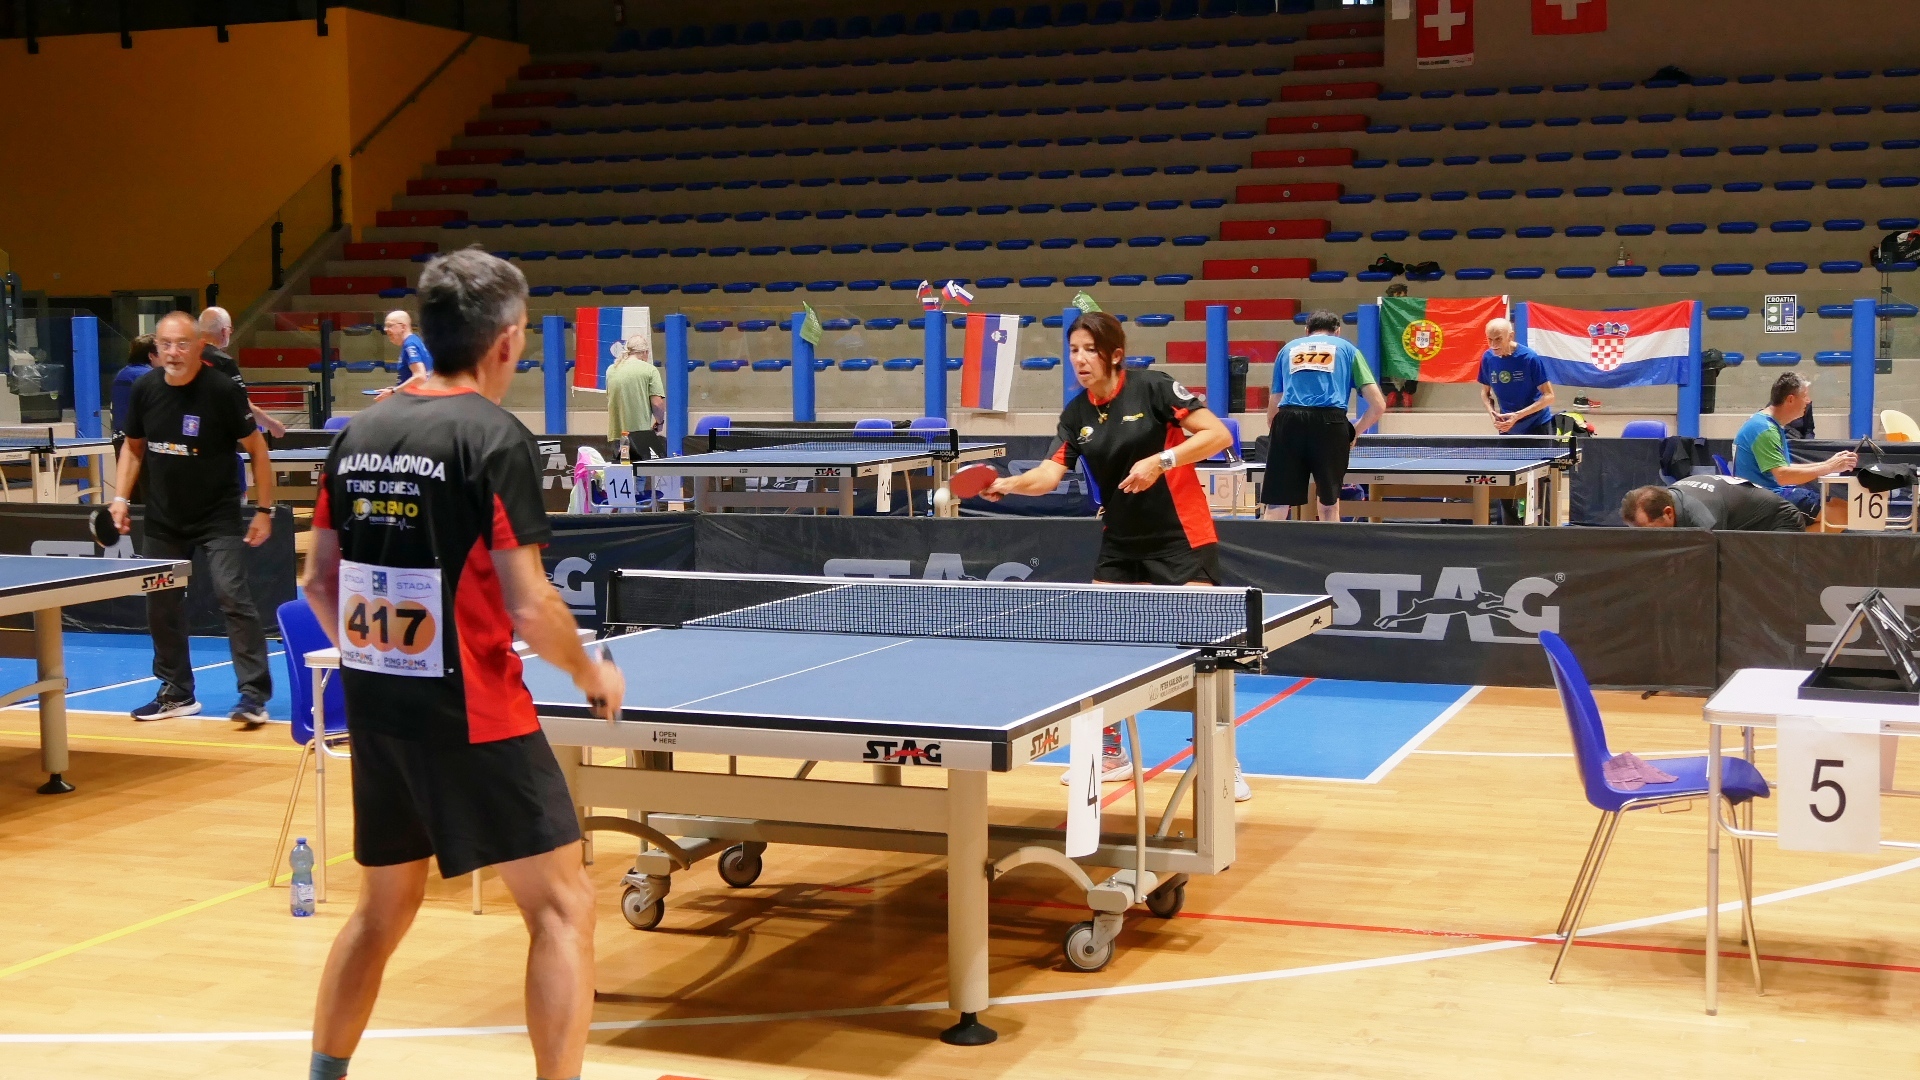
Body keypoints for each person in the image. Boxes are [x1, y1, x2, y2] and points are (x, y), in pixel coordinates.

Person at [302, 248, 623, 1080]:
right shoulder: (493, 437)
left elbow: (316, 581)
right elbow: (531, 604)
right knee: (563, 907)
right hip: (476, 710)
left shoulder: (360, 432)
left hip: (379, 711)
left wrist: (375, 660)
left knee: (381, 911)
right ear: (507, 341)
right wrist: (590, 674)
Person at [980, 312, 1253, 799]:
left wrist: (1161, 461)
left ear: (1115, 355)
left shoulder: (1154, 388)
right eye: (1074, 350)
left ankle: (1219, 757)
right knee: (1100, 647)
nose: (1080, 359)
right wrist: (1009, 484)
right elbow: (1047, 475)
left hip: (1181, 536)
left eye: (1090, 349)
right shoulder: (1077, 414)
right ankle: (1110, 753)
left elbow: (1218, 435)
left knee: (1204, 653)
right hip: (1121, 541)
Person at [110, 312, 277, 726]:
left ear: (200, 346)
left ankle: (253, 695)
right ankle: (176, 692)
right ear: (156, 349)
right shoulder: (145, 389)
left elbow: (258, 451)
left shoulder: (221, 390)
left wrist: (264, 510)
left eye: (182, 344)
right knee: (161, 604)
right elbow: (133, 448)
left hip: (217, 516)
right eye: (165, 344)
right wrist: (120, 498)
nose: (173, 352)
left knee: (232, 595)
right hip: (164, 519)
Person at [1261, 310, 1387, 522]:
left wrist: (1280, 434)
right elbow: (1378, 405)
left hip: (1288, 422)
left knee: (1277, 504)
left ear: (1306, 331)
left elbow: (1274, 405)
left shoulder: (1287, 350)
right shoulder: (1348, 349)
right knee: (1329, 505)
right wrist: (1354, 432)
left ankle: (1267, 544)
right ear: (1337, 331)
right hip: (1331, 424)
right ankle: (1330, 544)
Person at [1732, 372, 1856, 516]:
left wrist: (1828, 464)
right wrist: (1829, 467)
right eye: (1805, 396)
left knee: (1839, 507)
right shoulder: (1765, 429)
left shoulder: (1766, 423)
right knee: (1844, 513)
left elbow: (1784, 467)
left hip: (1767, 495)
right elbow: (1783, 476)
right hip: (1766, 500)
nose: (1808, 401)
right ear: (1790, 399)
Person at [196, 306, 288, 438]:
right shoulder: (223, 362)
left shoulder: (184, 355)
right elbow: (243, 406)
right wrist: (273, 425)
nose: (230, 333)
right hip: (210, 438)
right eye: (230, 329)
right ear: (224, 331)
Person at [1620, 476, 1811, 531]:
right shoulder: (1668, 497)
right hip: (1739, 523)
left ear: (1668, 513)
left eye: (1648, 530)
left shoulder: (1703, 519)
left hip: (1779, 522)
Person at [1478, 317, 1555, 436]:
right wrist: (1493, 415)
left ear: (1510, 336)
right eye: (1490, 339)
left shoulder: (1529, 358)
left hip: (1537, 425)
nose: (1493, 345)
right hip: (1507, 426)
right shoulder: (1487, 358)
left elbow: (1549, 396)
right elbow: (1485, 392)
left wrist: (1518, 415)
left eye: (1498, 339)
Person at [604, 333, 666, 460]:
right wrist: (659, 422)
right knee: (640, 470)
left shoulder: (611, 370)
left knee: (622, 469)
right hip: (640, 436)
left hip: (617, 435)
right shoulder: (650, 370)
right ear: (645, 352)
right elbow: (657, 403)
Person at [373, 309, 433, 400]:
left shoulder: (410, 344)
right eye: (385, 326)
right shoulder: (415, 341)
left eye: (390, 325)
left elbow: (420, 377)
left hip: (415, 401)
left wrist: (394, 392)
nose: (385, 329)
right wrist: (396, 388)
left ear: (403, 327)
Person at [110, 333, 159, 436]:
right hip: (141, 438)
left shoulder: (121, 374)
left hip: (119, 435)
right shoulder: (151, 377)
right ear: (151, 356)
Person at [1378, 283, 1415, 409]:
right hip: (1390, 345)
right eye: (1398, 294)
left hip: (1408, 343)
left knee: (1413, 362)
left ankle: (1407, 392)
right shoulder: (1384, 309)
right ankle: (1391, 392)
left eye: (1404, 295)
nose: (1402, 297)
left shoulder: (1412, 309)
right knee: (1386, 363)